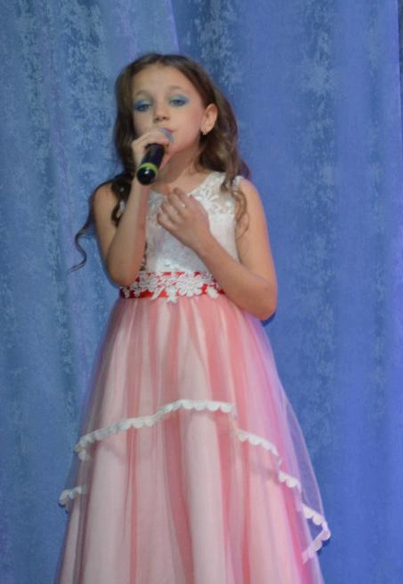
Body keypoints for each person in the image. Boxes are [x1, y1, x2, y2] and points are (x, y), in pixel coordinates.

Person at [59, 53, 329, 583]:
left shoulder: (235, 195)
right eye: (143, 105)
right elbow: (123, 271)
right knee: (143, 489)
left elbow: (263, 300)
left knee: (212, 486)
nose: (159, 113)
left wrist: (204, 241)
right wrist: (142, 186)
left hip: (214, 371)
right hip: (142, 370)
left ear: (206, 118)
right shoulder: (113, 196)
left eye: (176, 101)